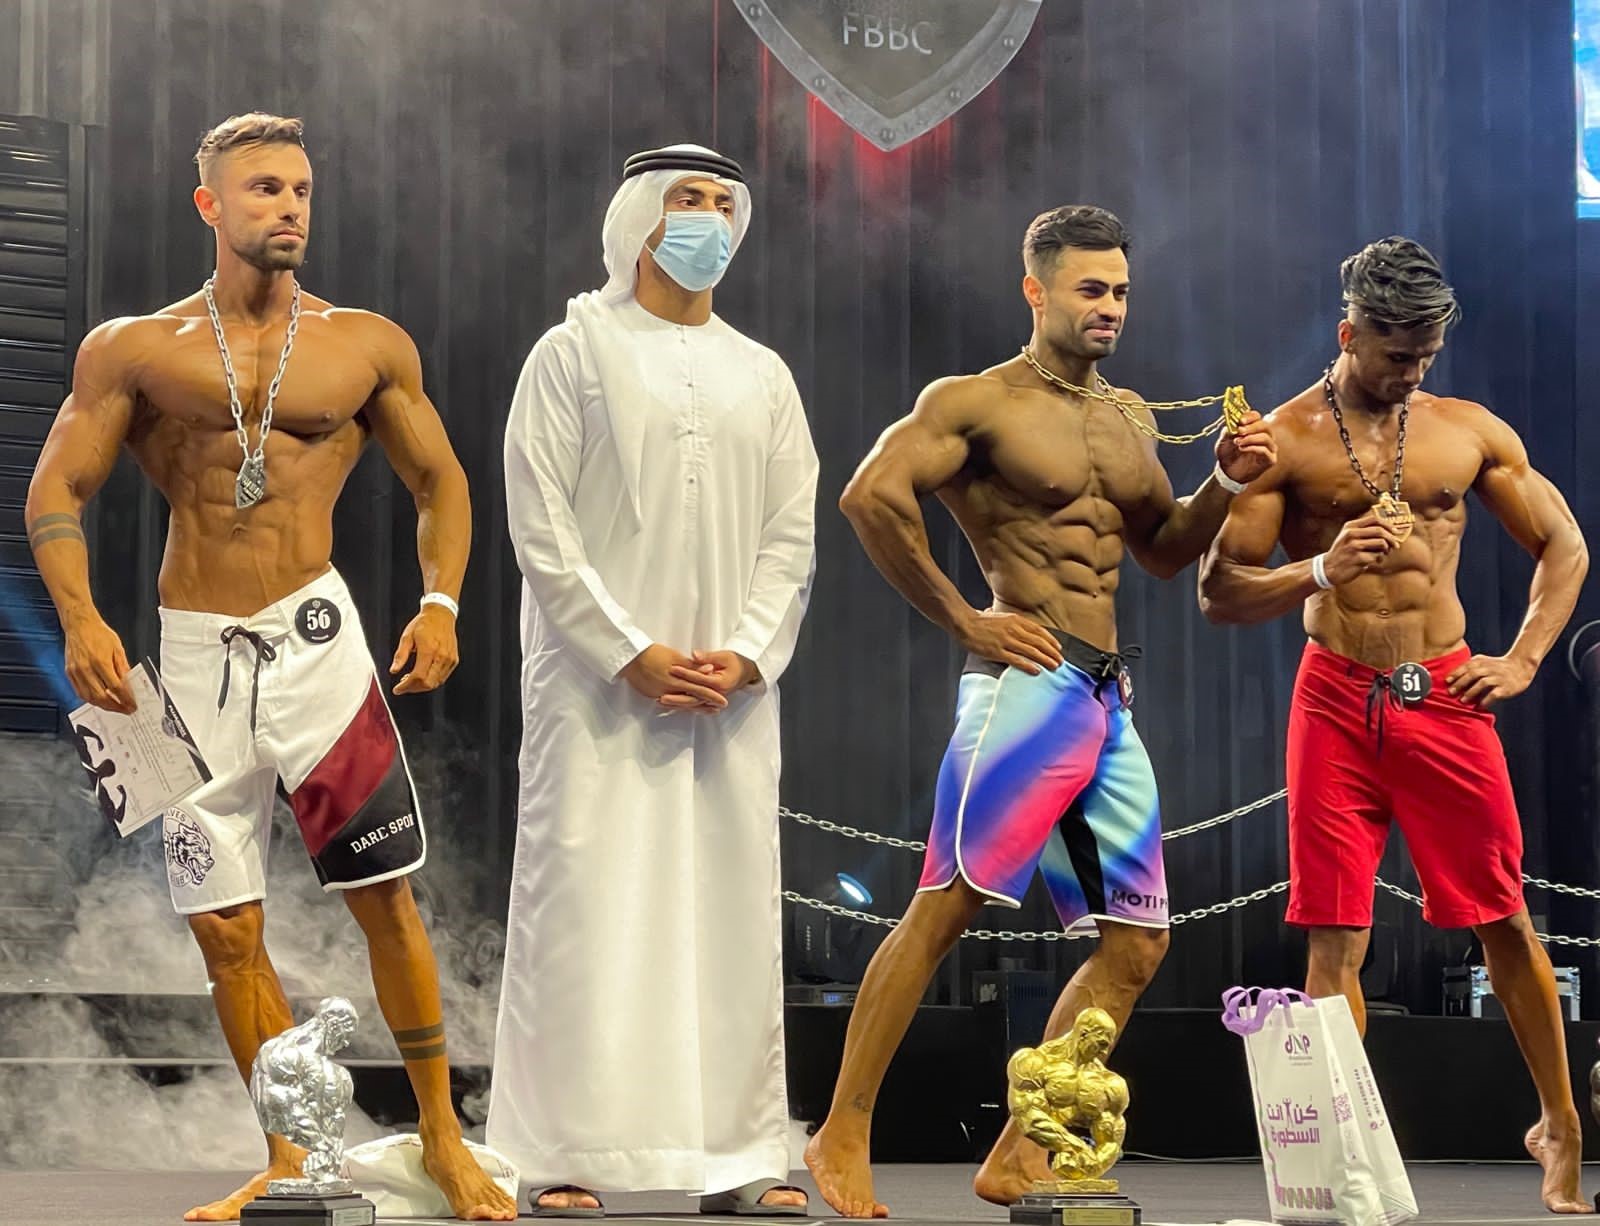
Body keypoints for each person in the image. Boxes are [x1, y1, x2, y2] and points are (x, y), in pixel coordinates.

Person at [24, 112, 516, 1223]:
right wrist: (79, 621)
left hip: (317, 646)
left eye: (299, 188)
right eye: (263, 189)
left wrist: (441, 602)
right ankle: (293, 1155)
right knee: (223, 928)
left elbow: (441, 479)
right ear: (210, 204)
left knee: (383, 898)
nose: (289, 206)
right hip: (188, 662)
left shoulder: (365, 345)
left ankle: (443, 1139)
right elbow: (56, 487)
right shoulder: (133, 348)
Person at [804, 205, 1277, 1218]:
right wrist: (965, 618)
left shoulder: (1129, 415)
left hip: (1106, 695)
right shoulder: (975, 402)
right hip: (1025, 688)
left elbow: (1162, 549)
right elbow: (869, 496)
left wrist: (1224, 484)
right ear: (1036, 290)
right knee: (946, 903)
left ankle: (1022, 1150)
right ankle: (841, 1128)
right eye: (1089, 289)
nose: (1111, 307)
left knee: (1137, 941)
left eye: (1121, 291)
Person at [1198, 236, 1591, 1214]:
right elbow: (1219, 590)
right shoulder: (1284, 441)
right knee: (1334, 940)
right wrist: (1319, 568)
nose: (1411, 371)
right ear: (1347, 334)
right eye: (1394, 353)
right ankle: (1341, 1165)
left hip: (1446, 694)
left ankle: (1559, 1122)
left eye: (1425, 354)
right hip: (1335, 700)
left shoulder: (1464, 431)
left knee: (1503, 917)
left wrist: (1522, 659)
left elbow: (1564, 545)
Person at [490, 144, 819, 1217]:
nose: (710, 218)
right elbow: (540, 522)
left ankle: (736, 1156)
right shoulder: (572, 351)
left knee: (728, 909)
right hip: (595, 688)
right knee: (586, 904)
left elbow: (791, 534)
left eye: (725, 202)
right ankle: (563, 1151)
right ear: (639, 216)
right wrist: (624, 646)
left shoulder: (763, 373)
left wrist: (751, 649)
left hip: (729, 693)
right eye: (688, 200)